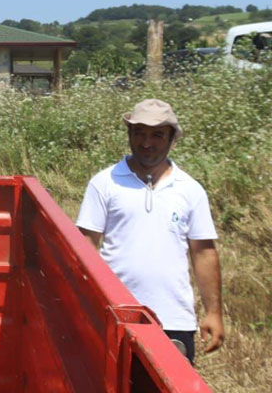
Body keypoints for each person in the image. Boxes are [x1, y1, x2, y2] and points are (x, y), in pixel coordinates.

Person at [76, 99, 224, 364]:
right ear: (129, 135)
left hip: (173, 319)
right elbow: (84, 247)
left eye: (157, 134)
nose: (147, 142)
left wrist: (214, 312)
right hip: (115, 314)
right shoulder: (104, 183)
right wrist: (83, 306)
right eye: (139, 133)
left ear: (172, 139)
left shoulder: (190, 190)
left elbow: (203, 253)